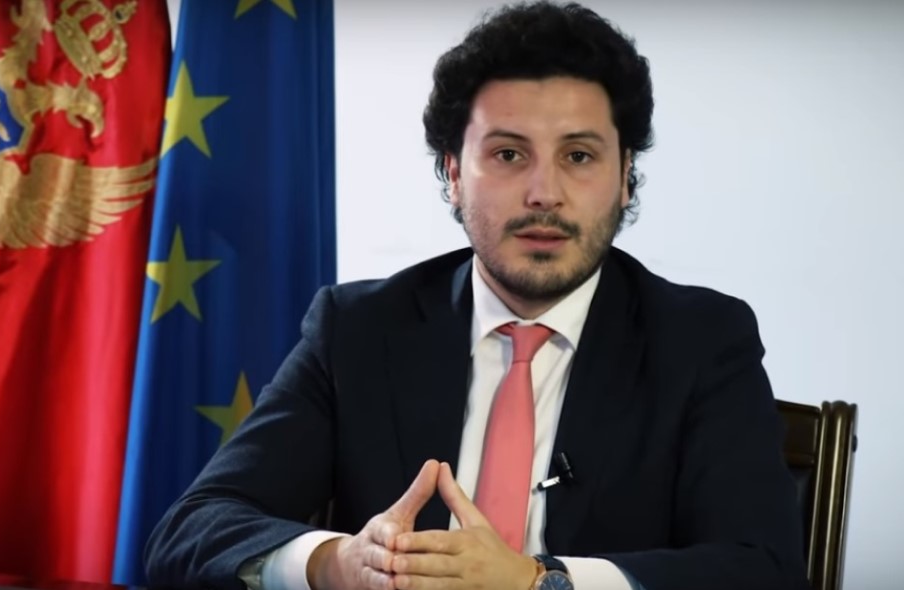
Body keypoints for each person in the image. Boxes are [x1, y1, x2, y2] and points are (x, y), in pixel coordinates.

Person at [144, 2, 811, 589]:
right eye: (509, 155)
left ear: (626, 176)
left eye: (579, 156)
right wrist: (338, 563)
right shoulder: (358, 329)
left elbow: (764, 567)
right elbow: (192, 530)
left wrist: (540, 582)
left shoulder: (702, 340)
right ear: (453, 172)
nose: (544, 193)